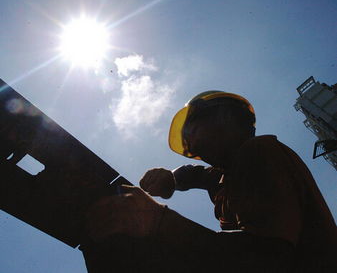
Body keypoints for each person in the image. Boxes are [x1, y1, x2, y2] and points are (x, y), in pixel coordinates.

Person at [83, 91, 337, 272]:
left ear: (223, 118)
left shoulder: (258, 151)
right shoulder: (227, 176)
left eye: (190, 133)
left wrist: (160, 222)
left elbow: (268, 258)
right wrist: (171, 178)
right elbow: (196, 174)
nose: (190, 145)